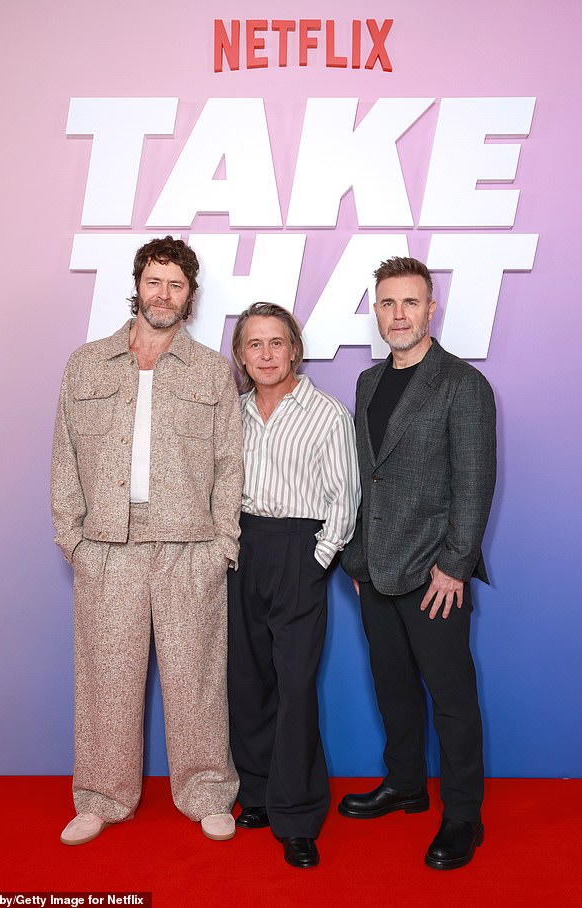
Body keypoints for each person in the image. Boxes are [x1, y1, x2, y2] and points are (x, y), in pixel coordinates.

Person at [51, 236, 243, 845]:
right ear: (137, 286)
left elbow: (229, 464)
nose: (163, 295)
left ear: (190, 296)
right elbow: (64, 457)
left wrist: (223, 544)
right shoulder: (87, 363)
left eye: (176, 285)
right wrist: (73, 541)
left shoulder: (211, 370)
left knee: (196, 680)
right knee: (106, 681)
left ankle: (207, 792)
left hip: (190, 547)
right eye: (154, 282)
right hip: (108, 544)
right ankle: (101, 798)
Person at [339, 256, 496, 870]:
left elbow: (475, 483)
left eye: (410, 302)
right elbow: (366, 478)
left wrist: (454, 566)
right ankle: (405, 785)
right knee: (393, 688)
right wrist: (358, 561)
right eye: (387, 303)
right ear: (377, 312)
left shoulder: (463, 384)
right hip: (375, 570)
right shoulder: (368, 383)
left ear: (431, 309)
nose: (398, 314)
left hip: (435, 576)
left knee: (451, 699)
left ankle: (463, 817)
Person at [228, 302, 360, 868]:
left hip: (298, 550)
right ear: (241, 356)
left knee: (296, 685)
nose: (266, 354)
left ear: (295, 350)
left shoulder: (327, 413)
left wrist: (318, 559)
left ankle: (299, 816)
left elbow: (345, 495)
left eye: (276, 343)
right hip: (241, 547)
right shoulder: (231, 413)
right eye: (254, 344)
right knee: (247, 680)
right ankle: (258, 793)